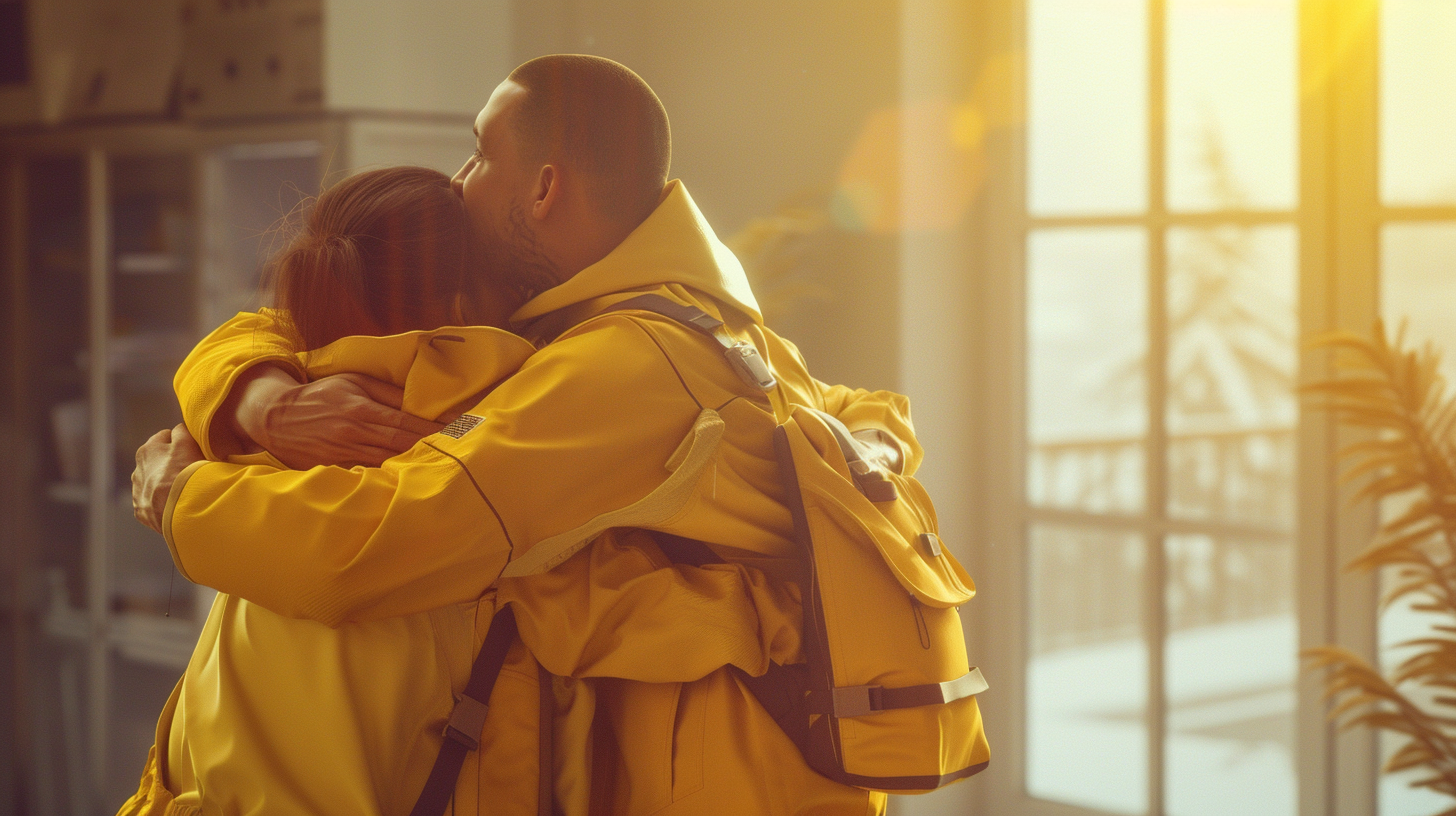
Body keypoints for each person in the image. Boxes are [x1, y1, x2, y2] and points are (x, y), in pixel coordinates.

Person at [133, 55, 922, 815]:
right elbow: (855, 403)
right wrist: (257, 396)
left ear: (544, 188)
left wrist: (181, 492)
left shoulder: (624, 362)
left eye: (478, 154)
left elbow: (376, 542)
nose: (458, 179)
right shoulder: (671, 310)